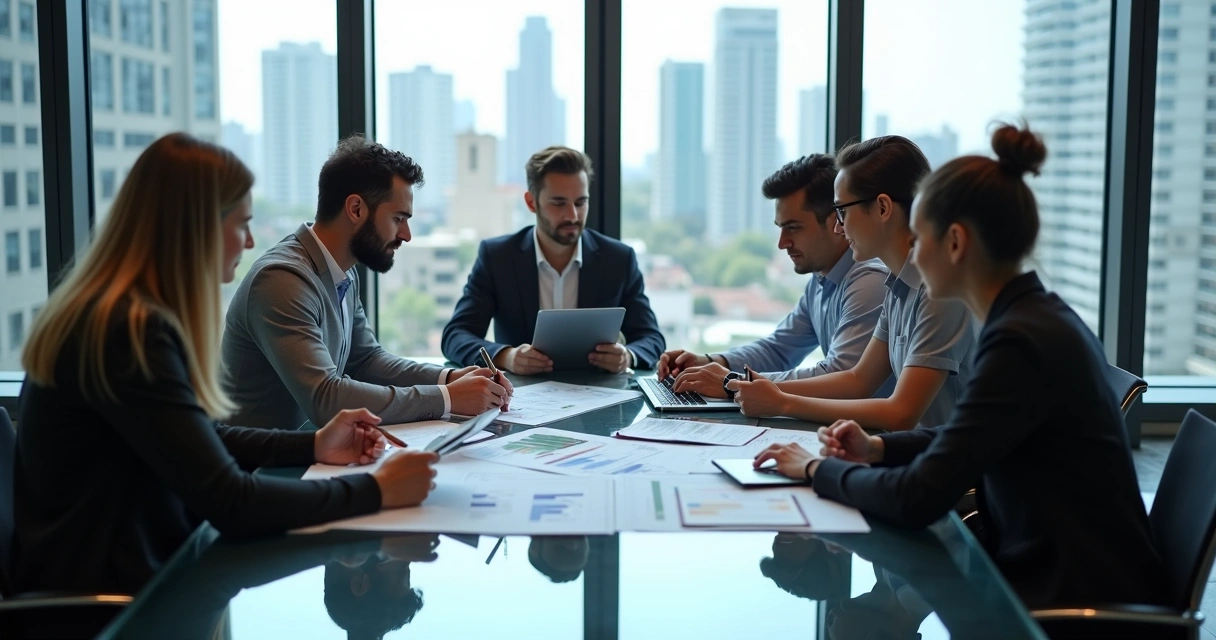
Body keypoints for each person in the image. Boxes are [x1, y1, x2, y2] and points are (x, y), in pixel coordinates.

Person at [753, 124, 1170, 618]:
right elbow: (962, 435)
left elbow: (917, 495)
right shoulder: (1027, 318)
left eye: (921, 236)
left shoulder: (1019, 342)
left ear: (954, 242)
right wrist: (879, 447)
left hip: (1066, 598)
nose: (913, 254)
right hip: (1045, 567)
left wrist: (819, 470)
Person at [11, 134, 439, 605]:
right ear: (194, 228)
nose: (251, 241)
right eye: (242, 224)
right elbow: (232, 503)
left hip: (137, 571)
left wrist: (314, 443)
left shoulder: (122, 314)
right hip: (111, 605)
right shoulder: (127, 334)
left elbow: (198, 434)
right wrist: (376, 490)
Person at [222, 136, 511, 430]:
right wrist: (448, 398)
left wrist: (451, 379)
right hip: (254, 465)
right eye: (399, 218)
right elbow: (326, 400)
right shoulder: (282, 280)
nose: (407, 235)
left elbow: (366, 361)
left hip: (307, 450)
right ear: (356, 209)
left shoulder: (342, 270)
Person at [729, 136, 976, 431]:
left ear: (883, 208)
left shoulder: (941, 292)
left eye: (842, 211)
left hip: (959, 472)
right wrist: (753, 386)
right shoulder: (897, 285)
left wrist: (782, 403)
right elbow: (858, 380)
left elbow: (902, 413)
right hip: (918, 459)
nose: (838, 226)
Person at [658, 154, 888, 397]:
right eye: (781, 228)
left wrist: (730, 382)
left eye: (793, 227)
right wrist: (706, 361)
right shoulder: (821, 281)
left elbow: (837, 376)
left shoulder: (869, 281)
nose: (782, 243)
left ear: (836, 221)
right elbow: (778, 351)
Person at [441, 146, 665, 374]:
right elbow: (455, 336)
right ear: (531, 203)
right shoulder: (498, 257)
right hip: (521, 400)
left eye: (580, 202)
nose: (573, 216)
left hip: (600, 396)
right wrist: (507, 357)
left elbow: (652, 339)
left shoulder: (618, 259)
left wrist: (627, 356)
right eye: (559, 203)